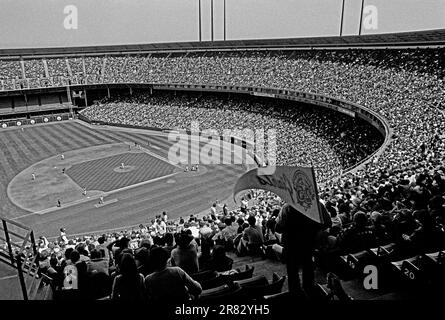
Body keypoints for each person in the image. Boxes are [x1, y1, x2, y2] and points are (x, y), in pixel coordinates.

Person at [276, 203, 331, 299]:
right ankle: (310, 291)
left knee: (293, 273)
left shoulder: (287, 207)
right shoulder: (317, 204)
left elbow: (278, 228)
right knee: (308, 268)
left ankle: (296, 295)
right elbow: (327, 223)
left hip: (291, 245)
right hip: (309, 243)